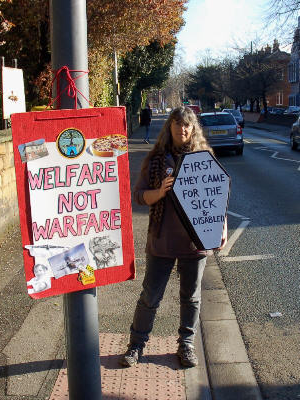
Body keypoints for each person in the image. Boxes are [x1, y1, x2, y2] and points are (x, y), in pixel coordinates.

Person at [120, 106, 226, 368]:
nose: (183, 129)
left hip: (196, 240)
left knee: (191, 297)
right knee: (150, 297)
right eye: (178, 124)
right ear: (170, 127)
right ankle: (136, 345)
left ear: (193, 129)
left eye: (187, 125)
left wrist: (221, 227)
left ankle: (186, 345)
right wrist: (159, 192)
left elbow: (216, 198)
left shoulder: (204, 157)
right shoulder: (157, 159)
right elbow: (139, 196)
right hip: (162, 240)